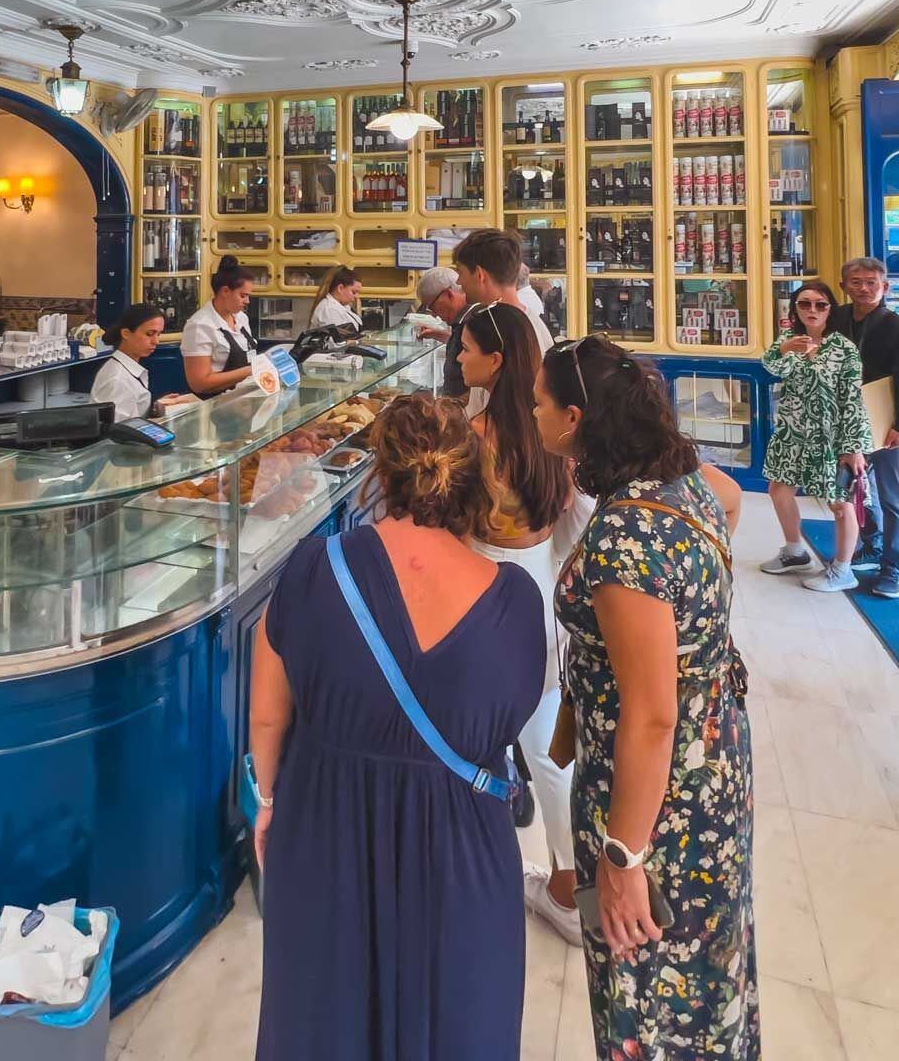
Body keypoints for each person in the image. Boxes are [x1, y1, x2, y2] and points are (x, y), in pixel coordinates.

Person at [249, 393, 545, 1060]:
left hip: (323, 824)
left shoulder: (311, 569)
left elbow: (268, 712)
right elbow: (513, 718)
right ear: (474, 479)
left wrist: (268, 802)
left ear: (379, 476)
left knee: (321, 1020)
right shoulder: (515, 603)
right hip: (462, 842)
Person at [534, 336, 758, 1060]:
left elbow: (652, 714)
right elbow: (729, 500)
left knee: (648, 979)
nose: (532, 413)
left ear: (572, 419)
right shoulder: (685, 478)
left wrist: (625, 856)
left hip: (658, 797)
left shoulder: (624, 539)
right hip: (714, 755)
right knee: (707, 964)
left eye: (539, 403)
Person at [456, 301, 580, 944]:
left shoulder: (477, 443)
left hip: (486, 591)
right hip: (539, 586)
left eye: (466, 348)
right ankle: (567, 881)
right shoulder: (552, 430)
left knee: (482, 734)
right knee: (547, 746)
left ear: (494, 361)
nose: (457, 358)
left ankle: (542, 886)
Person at [760, 280, 873, 592]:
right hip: (793, 432)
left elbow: (853, 399)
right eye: (804, 304)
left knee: (840, 501)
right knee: (779, 490)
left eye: (820, 304)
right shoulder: (789, 340)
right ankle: (795, 551)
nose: (812, 310)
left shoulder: (843, 348)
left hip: (832, 437)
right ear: (795, 308)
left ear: (830, 309)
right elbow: (771, 367)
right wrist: (783, 349)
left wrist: (852, 447)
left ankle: (842, 568)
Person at [829, 256, 899, 599]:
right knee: (852, 488)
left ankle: (894, 568)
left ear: (885, 287)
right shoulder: (837, 318)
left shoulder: (897, 327)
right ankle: (871, 542)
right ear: (843, 286)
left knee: (894, 494)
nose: (863, 289)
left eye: (871, 283)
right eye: (855, 282)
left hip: (886, 421)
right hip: (848, 420)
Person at [453, 228, 555, 362]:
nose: (458, 281)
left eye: (461, 273)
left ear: (480, 274)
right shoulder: (528, 321)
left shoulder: (507, 330)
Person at [90, 303, 198, 419]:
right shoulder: (117, 380)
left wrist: (156, 407)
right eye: (149, 334)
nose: (156, 341)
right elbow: (120, 431)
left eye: (159, 334)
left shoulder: (127, 369)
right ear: (126, 333)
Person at [182, 256, 257, 397]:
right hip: (214, 407)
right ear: (225, 291)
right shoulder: (200, 326)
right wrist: (250, 371)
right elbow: (199, 383)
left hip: (243, 399)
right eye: (243, 296)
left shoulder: (241, 318)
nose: (247, 301)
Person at [413, 266, 474, 399]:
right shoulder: (460, 322)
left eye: (432, 306)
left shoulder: (474, 322)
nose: (434, 314)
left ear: (449, 294)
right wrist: (439, 335)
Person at [308, 265, 362, 332]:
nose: (356, 296)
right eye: (354, 292)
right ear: (340, 288)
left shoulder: (342, 306)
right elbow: (337, 341)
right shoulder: (329, 309)